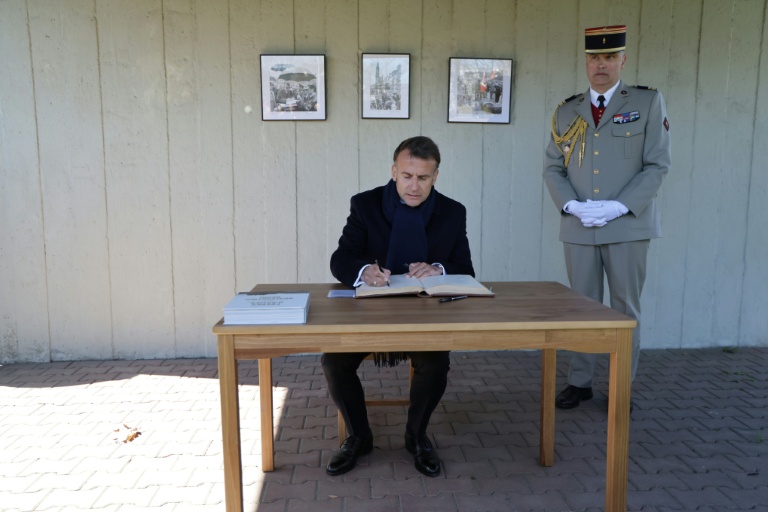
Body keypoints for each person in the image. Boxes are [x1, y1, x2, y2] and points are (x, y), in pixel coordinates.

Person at [323, 136, 474, 477]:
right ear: (394, 171)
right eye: (407, 176)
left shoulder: (452, 212)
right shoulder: (365, 204)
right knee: (333, 362)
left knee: (436, 362)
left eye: (423, 178)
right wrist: (364, 271)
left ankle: (416, 436)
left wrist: (439, 269)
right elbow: (341, 258)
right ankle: (359, 437)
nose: (414, 186)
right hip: (370, 315)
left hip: (424, 317)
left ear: (436, 176)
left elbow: (465, 268)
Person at [543, 25, 671, 411]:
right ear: (586, 62)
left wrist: (619, 206)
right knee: (580, 307)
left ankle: (620, 387)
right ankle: (580, 382)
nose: (601, 65)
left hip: (627, 225)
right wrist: (571, 206)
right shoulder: (568, 110)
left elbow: (657, 165)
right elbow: (553, 168)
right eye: (594, 58)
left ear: (622, 60)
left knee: (623, 308)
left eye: (609, 57)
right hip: (580, 226)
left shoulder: (648, 103)